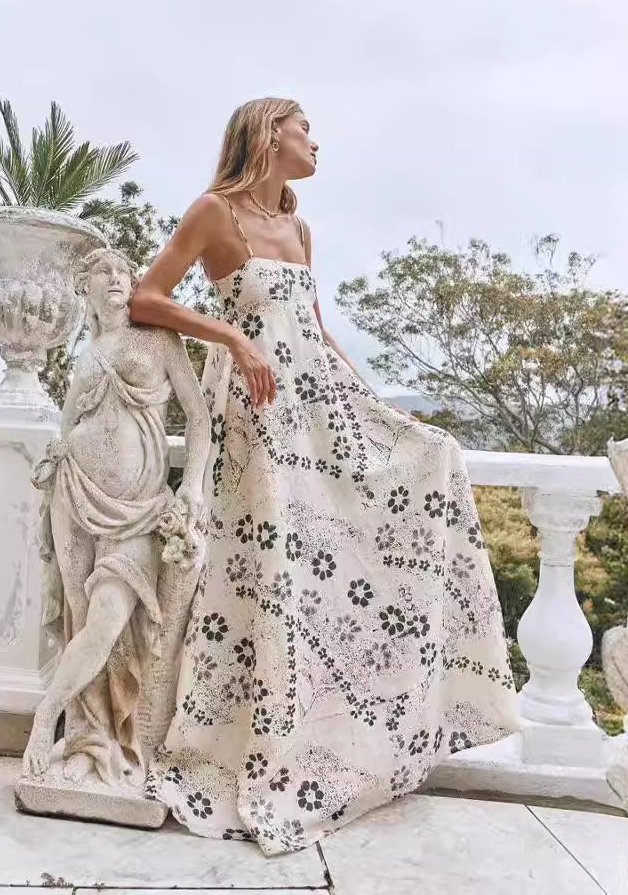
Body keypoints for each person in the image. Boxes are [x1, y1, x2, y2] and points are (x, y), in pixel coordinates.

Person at [129, 98, 519, 855]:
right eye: (304, 128)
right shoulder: (215, 213)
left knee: (430, 459)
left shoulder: (300, 229)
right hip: (258, 410)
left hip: (318, 402)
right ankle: (256, 737)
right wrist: (232, 337)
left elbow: (314, 327)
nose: (316, 142)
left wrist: (367, 398)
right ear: (268, 133)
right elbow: (147, 299)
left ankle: (380, 721)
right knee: (276, 562)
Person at [23, 247, 209, 786]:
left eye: (123, 271)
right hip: (74, 495)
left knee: (107, 618)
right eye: (103, 272)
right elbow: (68, 424)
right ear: (86, 288)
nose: (116, 279)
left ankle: (45, 719)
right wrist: (55, 463)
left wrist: (192, 485)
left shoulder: (159, 340)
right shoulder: (89, 351)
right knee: (80, 617)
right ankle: (87, 740)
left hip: (139, 511)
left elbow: (198, 420)